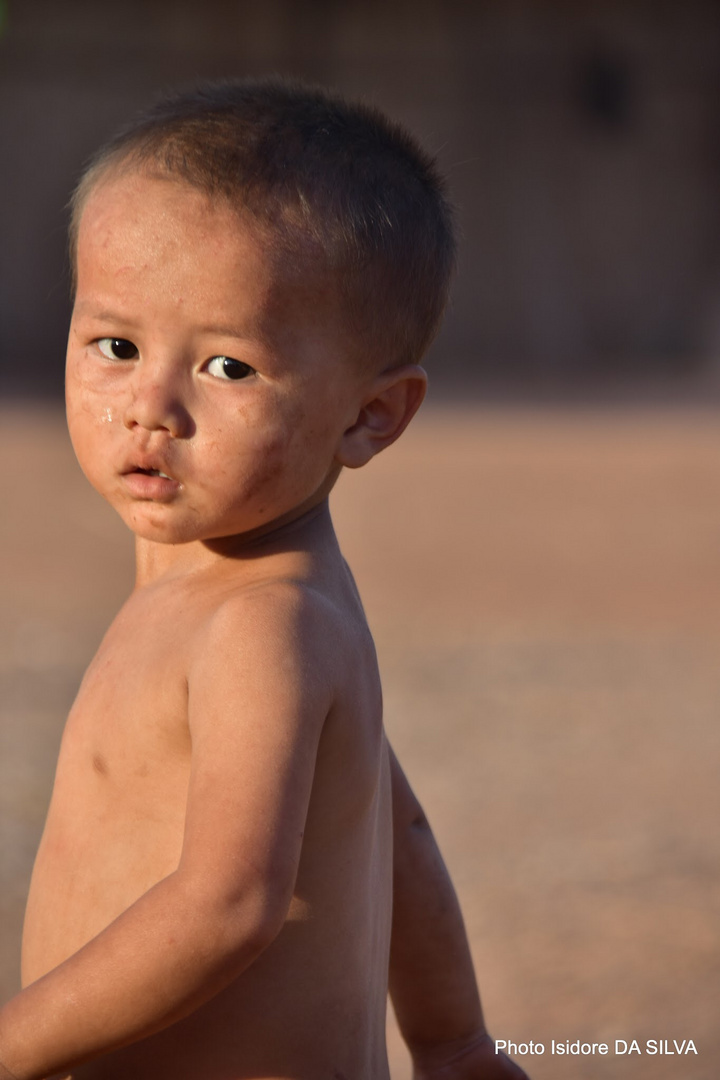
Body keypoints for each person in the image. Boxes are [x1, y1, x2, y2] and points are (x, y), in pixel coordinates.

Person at [0, 79, 529, 1080]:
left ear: (371, 417)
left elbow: (229, 906)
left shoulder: (262, 622)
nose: (150, 408)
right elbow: (393, 823)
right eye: (115, 346)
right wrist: (453, 1039)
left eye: (229, 369)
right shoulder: (235, 593)